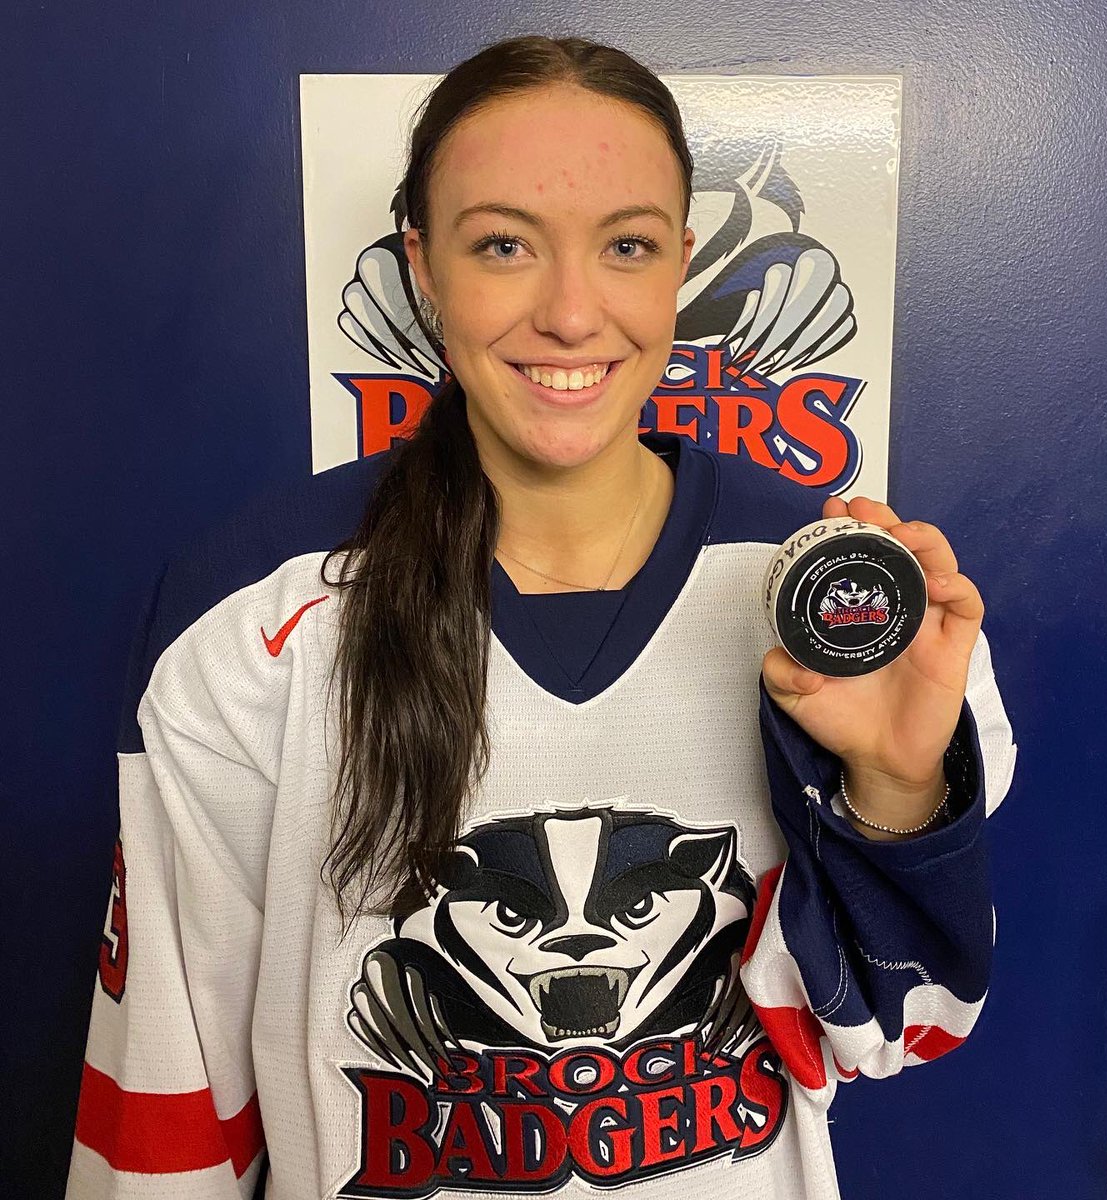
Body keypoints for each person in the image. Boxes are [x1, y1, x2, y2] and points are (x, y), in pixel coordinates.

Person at [66, 35, 1016, 1200]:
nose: (572, 313)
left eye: (626, 246)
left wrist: (899, 797)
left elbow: (893, 1037)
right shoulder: (249, 612)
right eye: (504, 245)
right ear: (424, 265)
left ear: (677, 267)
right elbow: (168, 1093)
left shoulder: (832, 600)